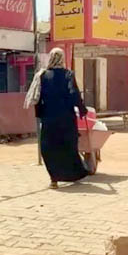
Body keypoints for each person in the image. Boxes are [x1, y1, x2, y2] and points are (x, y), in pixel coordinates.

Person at [24, 48, 89, 189]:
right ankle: (73, 174)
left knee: (49, 148)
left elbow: (38, 98)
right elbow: (73, 94)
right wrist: (82, 109)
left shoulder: (42, 75)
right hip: (66, 118)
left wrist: (40, 114)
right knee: (68, 146)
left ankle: (54, 179)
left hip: (49, 118)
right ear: (62, 58)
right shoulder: (68, 74)